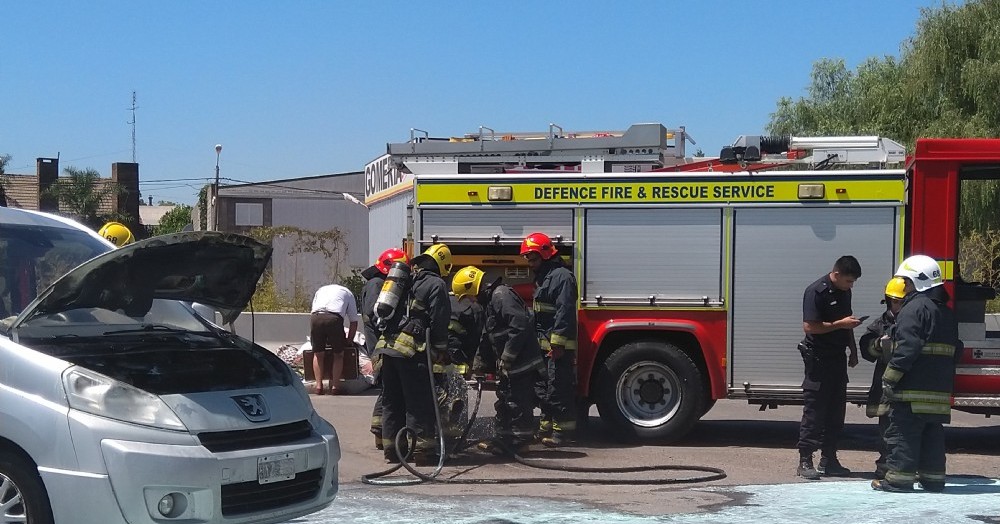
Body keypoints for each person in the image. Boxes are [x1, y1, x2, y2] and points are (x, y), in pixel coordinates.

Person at [872, 255, 961, 493]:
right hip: (938, 392)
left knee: (903, 433)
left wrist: (889, 378)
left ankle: (898, 480)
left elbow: (907, 348)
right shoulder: (946, 312)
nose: (903, 286)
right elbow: (956, 350)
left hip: (911, 390)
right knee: (932, 435)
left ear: (915, 282)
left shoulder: (914, 308)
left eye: (905, 281)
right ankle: (933, 479)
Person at [455, 266, 545, 456]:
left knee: (517, 403)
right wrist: (478, 365)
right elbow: (488, 337)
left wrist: (507, 356)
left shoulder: (501, 295)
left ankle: (520, 443)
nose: (470, 302)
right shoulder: (491, 302)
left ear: (473, 288)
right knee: (505, 400)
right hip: (511, 365)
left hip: (522, 363)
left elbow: (519, 325)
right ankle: (504, 441)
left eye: (468, 297)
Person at [375, 243, 452, 463]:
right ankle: (422, 451)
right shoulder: (435, 284)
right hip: (411, 351)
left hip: (388, 349)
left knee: (392, 400)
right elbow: (439, 319)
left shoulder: (407, 280)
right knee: (419, 401)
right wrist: (440, 349)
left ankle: (392, 450)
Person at [796, 255, 863, 479]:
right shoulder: (816, 291)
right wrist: (838, 325)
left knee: (836, 412)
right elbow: (810, 327)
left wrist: (853, 350)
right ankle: (805, 460)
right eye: (848, 281)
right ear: (836, 275)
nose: (851, 285)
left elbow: (848, 324)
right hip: (818, 360)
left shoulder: (845, 292)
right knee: (815, 411)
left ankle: (829, 459)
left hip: (837, 359)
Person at [521, 232, 578, 448]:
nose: (530, 263)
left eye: (533, 258)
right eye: (528, 259)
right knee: (545, 388)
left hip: (557, 347)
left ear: (545, 254)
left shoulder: (562, 277)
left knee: (558, 389)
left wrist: (558, 344)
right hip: (544, 345)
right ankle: (546, 427)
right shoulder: (545, 277)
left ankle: (562, 433)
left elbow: (564, 312)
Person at [858, 277, 907, 479]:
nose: (897, 307)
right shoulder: (881, 323)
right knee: (887, 432)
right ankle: (884, 467)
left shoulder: (914, 321)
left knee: (906, 432)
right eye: (894, 302)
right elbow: (866, 347)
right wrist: (878, 344)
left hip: (908, 387)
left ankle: (904, 467)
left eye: (902, 302)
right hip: (886, 387)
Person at [362, 248, 409, 450]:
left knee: (387, 389)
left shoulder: (376, 283)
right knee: (388, 390)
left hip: (379, 345)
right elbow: (377, 316)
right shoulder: (377, 284)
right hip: (380, 346)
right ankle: (380, 432)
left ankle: (381, 433)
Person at [309, 283, 359, 395]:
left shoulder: (321, 289)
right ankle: (335, 387)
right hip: (334, 319)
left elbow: (313, 308)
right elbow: (354, 322)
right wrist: (349, 340)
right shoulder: (348, 294)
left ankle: (319, 387)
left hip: (315, 318)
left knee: (318, 354)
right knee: (338, 354)